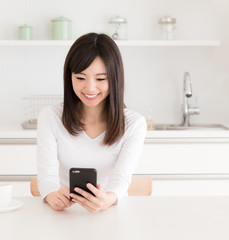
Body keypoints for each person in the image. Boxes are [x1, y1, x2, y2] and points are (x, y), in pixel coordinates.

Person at [36, 33, 147, 212]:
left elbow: (121, 179)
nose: (90, 88)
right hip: (65, 213)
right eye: (80, 78)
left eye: (101, 79)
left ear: (115, 79)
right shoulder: (50, 117)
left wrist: (108, 199)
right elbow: (46, 175)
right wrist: (51, 195)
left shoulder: (134, 124)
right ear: (69, 77)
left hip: (109, 211)